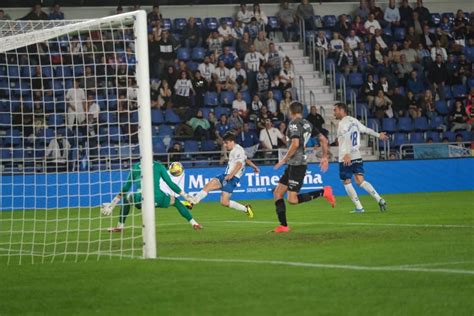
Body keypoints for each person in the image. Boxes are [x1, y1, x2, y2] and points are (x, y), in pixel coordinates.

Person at [272, 102, 335, 233]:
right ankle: (284, 226)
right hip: (294, 165)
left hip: (297, 165)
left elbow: (295, 144)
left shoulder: (293, 124)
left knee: (292, 200)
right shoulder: (308, 124)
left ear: (291, 112)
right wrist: (324, 156)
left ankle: (324, 192)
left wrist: (284, 159)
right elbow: (323, 139)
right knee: (277, 193)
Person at [102, 161, 201, 232]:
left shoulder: (135, 167)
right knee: (176, 202)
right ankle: (194, 223)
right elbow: (170, 183)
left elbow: (126, 187)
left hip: (140, 199)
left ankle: (120, 226)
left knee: (127, 198)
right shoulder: (158, 166)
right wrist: (186, 196)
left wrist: (112, 204)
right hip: (158, 198)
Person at [333, 102, 388, 213]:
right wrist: (378, 135)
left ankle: (359, 207)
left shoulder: (343, 124)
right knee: (360, 181)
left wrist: (347, 153)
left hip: (346, 156)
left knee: (347, 181)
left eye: (335, 110)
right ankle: (379, 199)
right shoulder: (354, 121)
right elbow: (366, 130)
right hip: (357, 155)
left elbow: (348, 137)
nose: (334, 112)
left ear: (342, 110)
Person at [192, 131, 259, 216]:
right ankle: (192, 202)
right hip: (226, 175)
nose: (225, 145)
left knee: (224, 202)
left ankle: (246, 209)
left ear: (232, 141)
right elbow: (245, 160)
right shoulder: (236, 150)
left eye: (226, 143)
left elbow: (239, 164)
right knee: (208, 185)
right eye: (224, 143)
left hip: (233, 178)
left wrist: (230, 175)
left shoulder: (238, 150)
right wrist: (255, 167)